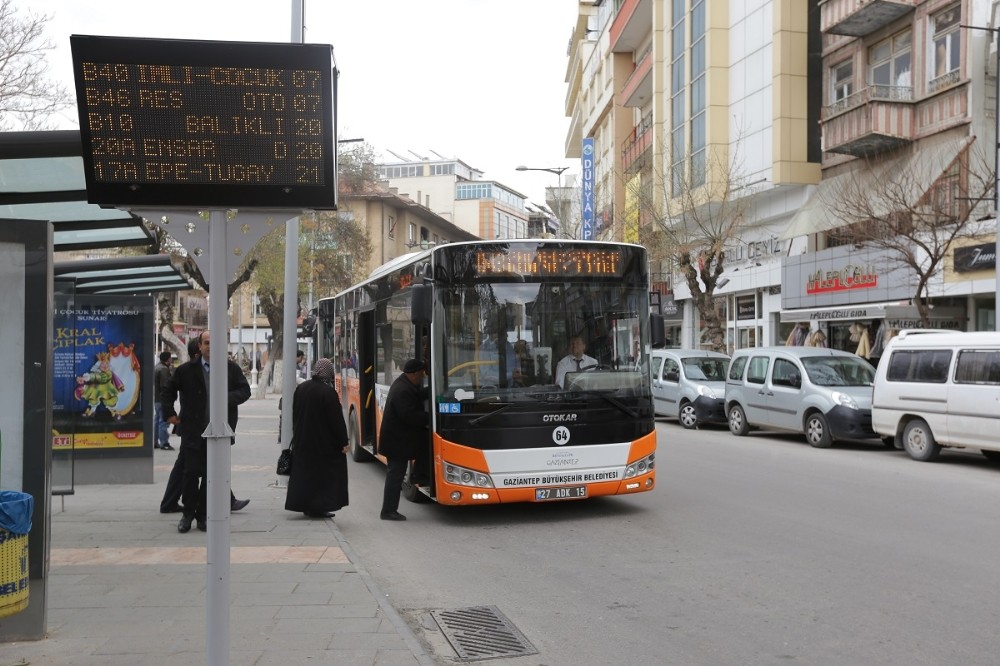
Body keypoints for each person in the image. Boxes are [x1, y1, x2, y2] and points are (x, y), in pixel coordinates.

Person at [162, 331, 251, 533]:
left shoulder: (230, 369)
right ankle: (187, 514)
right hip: (193, 432)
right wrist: (169, 413)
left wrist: (225, 397)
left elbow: (245, 391)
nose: (211, 346)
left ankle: (203, 515)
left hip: (220, 433)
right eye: (207, 343)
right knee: (190, 473)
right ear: (200, 346)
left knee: (212, 476)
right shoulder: (186, 370)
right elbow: (168, 389)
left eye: (215, 342)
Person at [284, 358, 350, 518]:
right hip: (322, 444)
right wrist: (344, 441)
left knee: (305, 476)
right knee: (322, 477)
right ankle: (319, 507)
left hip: (303, 440)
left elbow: (295, 414)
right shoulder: (327, 392)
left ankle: (307, 506)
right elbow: (336, 420)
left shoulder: (302, 388)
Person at [377, 359, 429, 521]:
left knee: (397, 474)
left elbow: (416, 395)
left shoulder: (404, 384)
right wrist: (431, 418)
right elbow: (409, 415)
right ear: (413, 374)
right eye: (420, 375)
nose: (421, 378)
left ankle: (418, 476)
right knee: (395, 477)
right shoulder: (402, 390)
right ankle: (388, 511)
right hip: (396, 443)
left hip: (399, 440)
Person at [153, 351, 174, 450]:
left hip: (157, 399)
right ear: (167, 359)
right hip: (163, 399)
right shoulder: (164, 370)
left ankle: (154, 441)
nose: (171, 360)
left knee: (157, 420)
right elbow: (166, 386)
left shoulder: (157, 367)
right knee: (163, 421)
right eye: (170, 358)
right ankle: (164, 442)